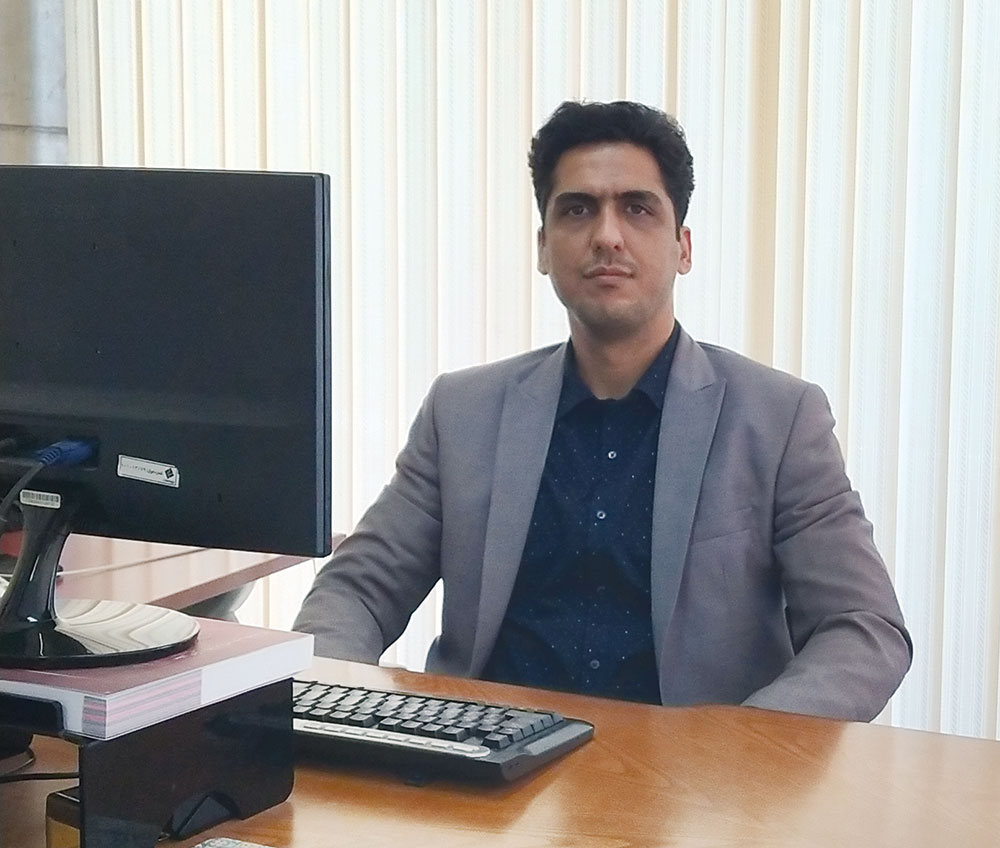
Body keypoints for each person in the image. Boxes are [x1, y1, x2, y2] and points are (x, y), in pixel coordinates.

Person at [294, 100, 912, 721]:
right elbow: (356, 590)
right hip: (483, 763)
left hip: (694, 773)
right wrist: (337, 711)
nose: (607, 236)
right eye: (578, 209)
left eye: (637, 208)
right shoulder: (463, 413)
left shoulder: (779, 420)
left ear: (683, 247)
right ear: (543, 247)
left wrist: (744, 748)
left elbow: (863, 628)